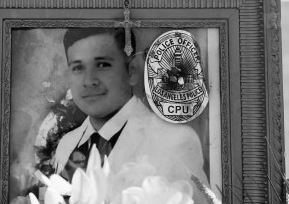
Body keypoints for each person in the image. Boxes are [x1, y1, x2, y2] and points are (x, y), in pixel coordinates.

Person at [52, 27, 208, 195]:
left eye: (103, 65)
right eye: (77, 68)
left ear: (132, 71)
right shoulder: (67, 144)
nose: (89, 81)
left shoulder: (175, 141)